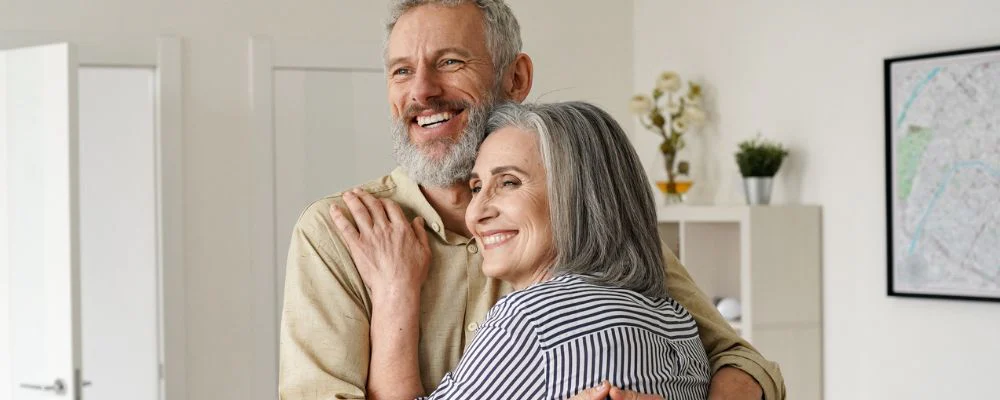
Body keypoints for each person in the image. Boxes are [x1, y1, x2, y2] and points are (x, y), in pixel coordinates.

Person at [278, 1, 785, 399]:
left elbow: (743, 363)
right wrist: (394, 297)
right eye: (401, 72)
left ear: (516, 78)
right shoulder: (338, 233)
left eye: (449, 62)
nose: (422, 91)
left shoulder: (589, 222)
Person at [332, 101, 713, 399]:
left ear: (579, 198)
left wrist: (393, 292)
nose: (476, 212)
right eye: (477, 186)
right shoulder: (677, 322)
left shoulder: (533, 319)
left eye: (510, 182)